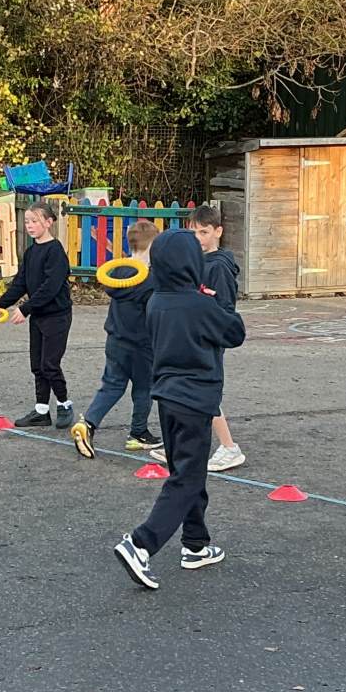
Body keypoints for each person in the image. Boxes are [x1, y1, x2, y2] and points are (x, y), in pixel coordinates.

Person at [114, 228, 247, 591]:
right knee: (187, 478)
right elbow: (235, 332)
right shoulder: (200, 304)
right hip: (196, 399)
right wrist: (214, 300)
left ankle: (195, 544)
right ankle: (141, 543)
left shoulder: (156, 301)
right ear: (190, 264)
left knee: (187, 471)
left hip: (168, 398)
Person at [71, 219, 161, 458]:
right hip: (141, 345)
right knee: (144, 388)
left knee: (112, 385)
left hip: (115, 340)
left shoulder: (118, 273)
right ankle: (138, 433)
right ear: (153, 246)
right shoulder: (150, 279)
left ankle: (88, 423)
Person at [0, 200, 75, 428]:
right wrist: (1, 304)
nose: (30, 225)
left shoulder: (55, 251)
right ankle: (41, 411)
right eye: (27, 222)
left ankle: (64, 404)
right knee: (37, 366)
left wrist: (25, 308)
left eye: (35, 221)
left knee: (50, 364)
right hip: (39, 316)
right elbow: (21, 282)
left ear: (49, 222)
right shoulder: (31, 252)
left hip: (57, 316)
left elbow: (50, 288)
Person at [190, 204, 247, 471]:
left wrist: (207, 327)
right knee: (190, 391)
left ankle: (229, 447)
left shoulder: (220, 267)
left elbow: (224, 310)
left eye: (204, 232)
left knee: (207, 394)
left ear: (218, 232)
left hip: (209, 338)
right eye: (194, 232)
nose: (198, 238)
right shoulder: (196, 261)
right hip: (193, 335)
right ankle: (185, 443)